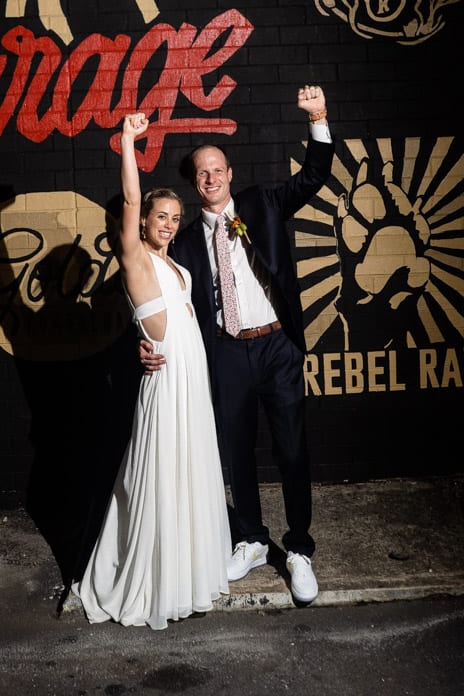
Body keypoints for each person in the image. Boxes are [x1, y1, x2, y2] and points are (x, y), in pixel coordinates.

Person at [140, 85, 333, 604]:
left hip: (276, 347)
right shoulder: (181, 239)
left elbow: (314, 177)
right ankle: (249, 538)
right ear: (193, 182)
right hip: (225, 351)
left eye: (218, 169)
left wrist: (317, 119)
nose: (211, 177)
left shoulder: (263, 204)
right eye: (202, 172)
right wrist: (144, 341)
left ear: (230, 175)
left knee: (292, 450)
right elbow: (157, 292)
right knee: (237, 452)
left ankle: (297, 550)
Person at [73, 113, 232, 629]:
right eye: (157, 215)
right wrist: (126, 142)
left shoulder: (179, 267)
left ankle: (186, 576)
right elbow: (130, 198)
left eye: (172, 218)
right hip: (164, 383)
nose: (164, 223)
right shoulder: (135, 257)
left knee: (190, 471)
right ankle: (152, 580)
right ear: (141, 222)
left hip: (191, 377)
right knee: (158, 475)